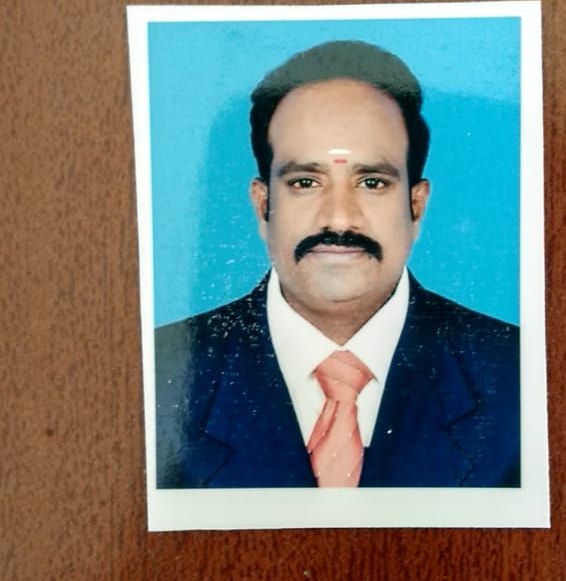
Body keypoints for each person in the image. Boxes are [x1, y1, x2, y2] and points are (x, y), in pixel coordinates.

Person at [155, 40, 520, 488]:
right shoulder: (158, 375)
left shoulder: (520, 375)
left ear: (417, 206)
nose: (340, 219)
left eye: (372, 182)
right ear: (263, 206)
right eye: (306, 182)